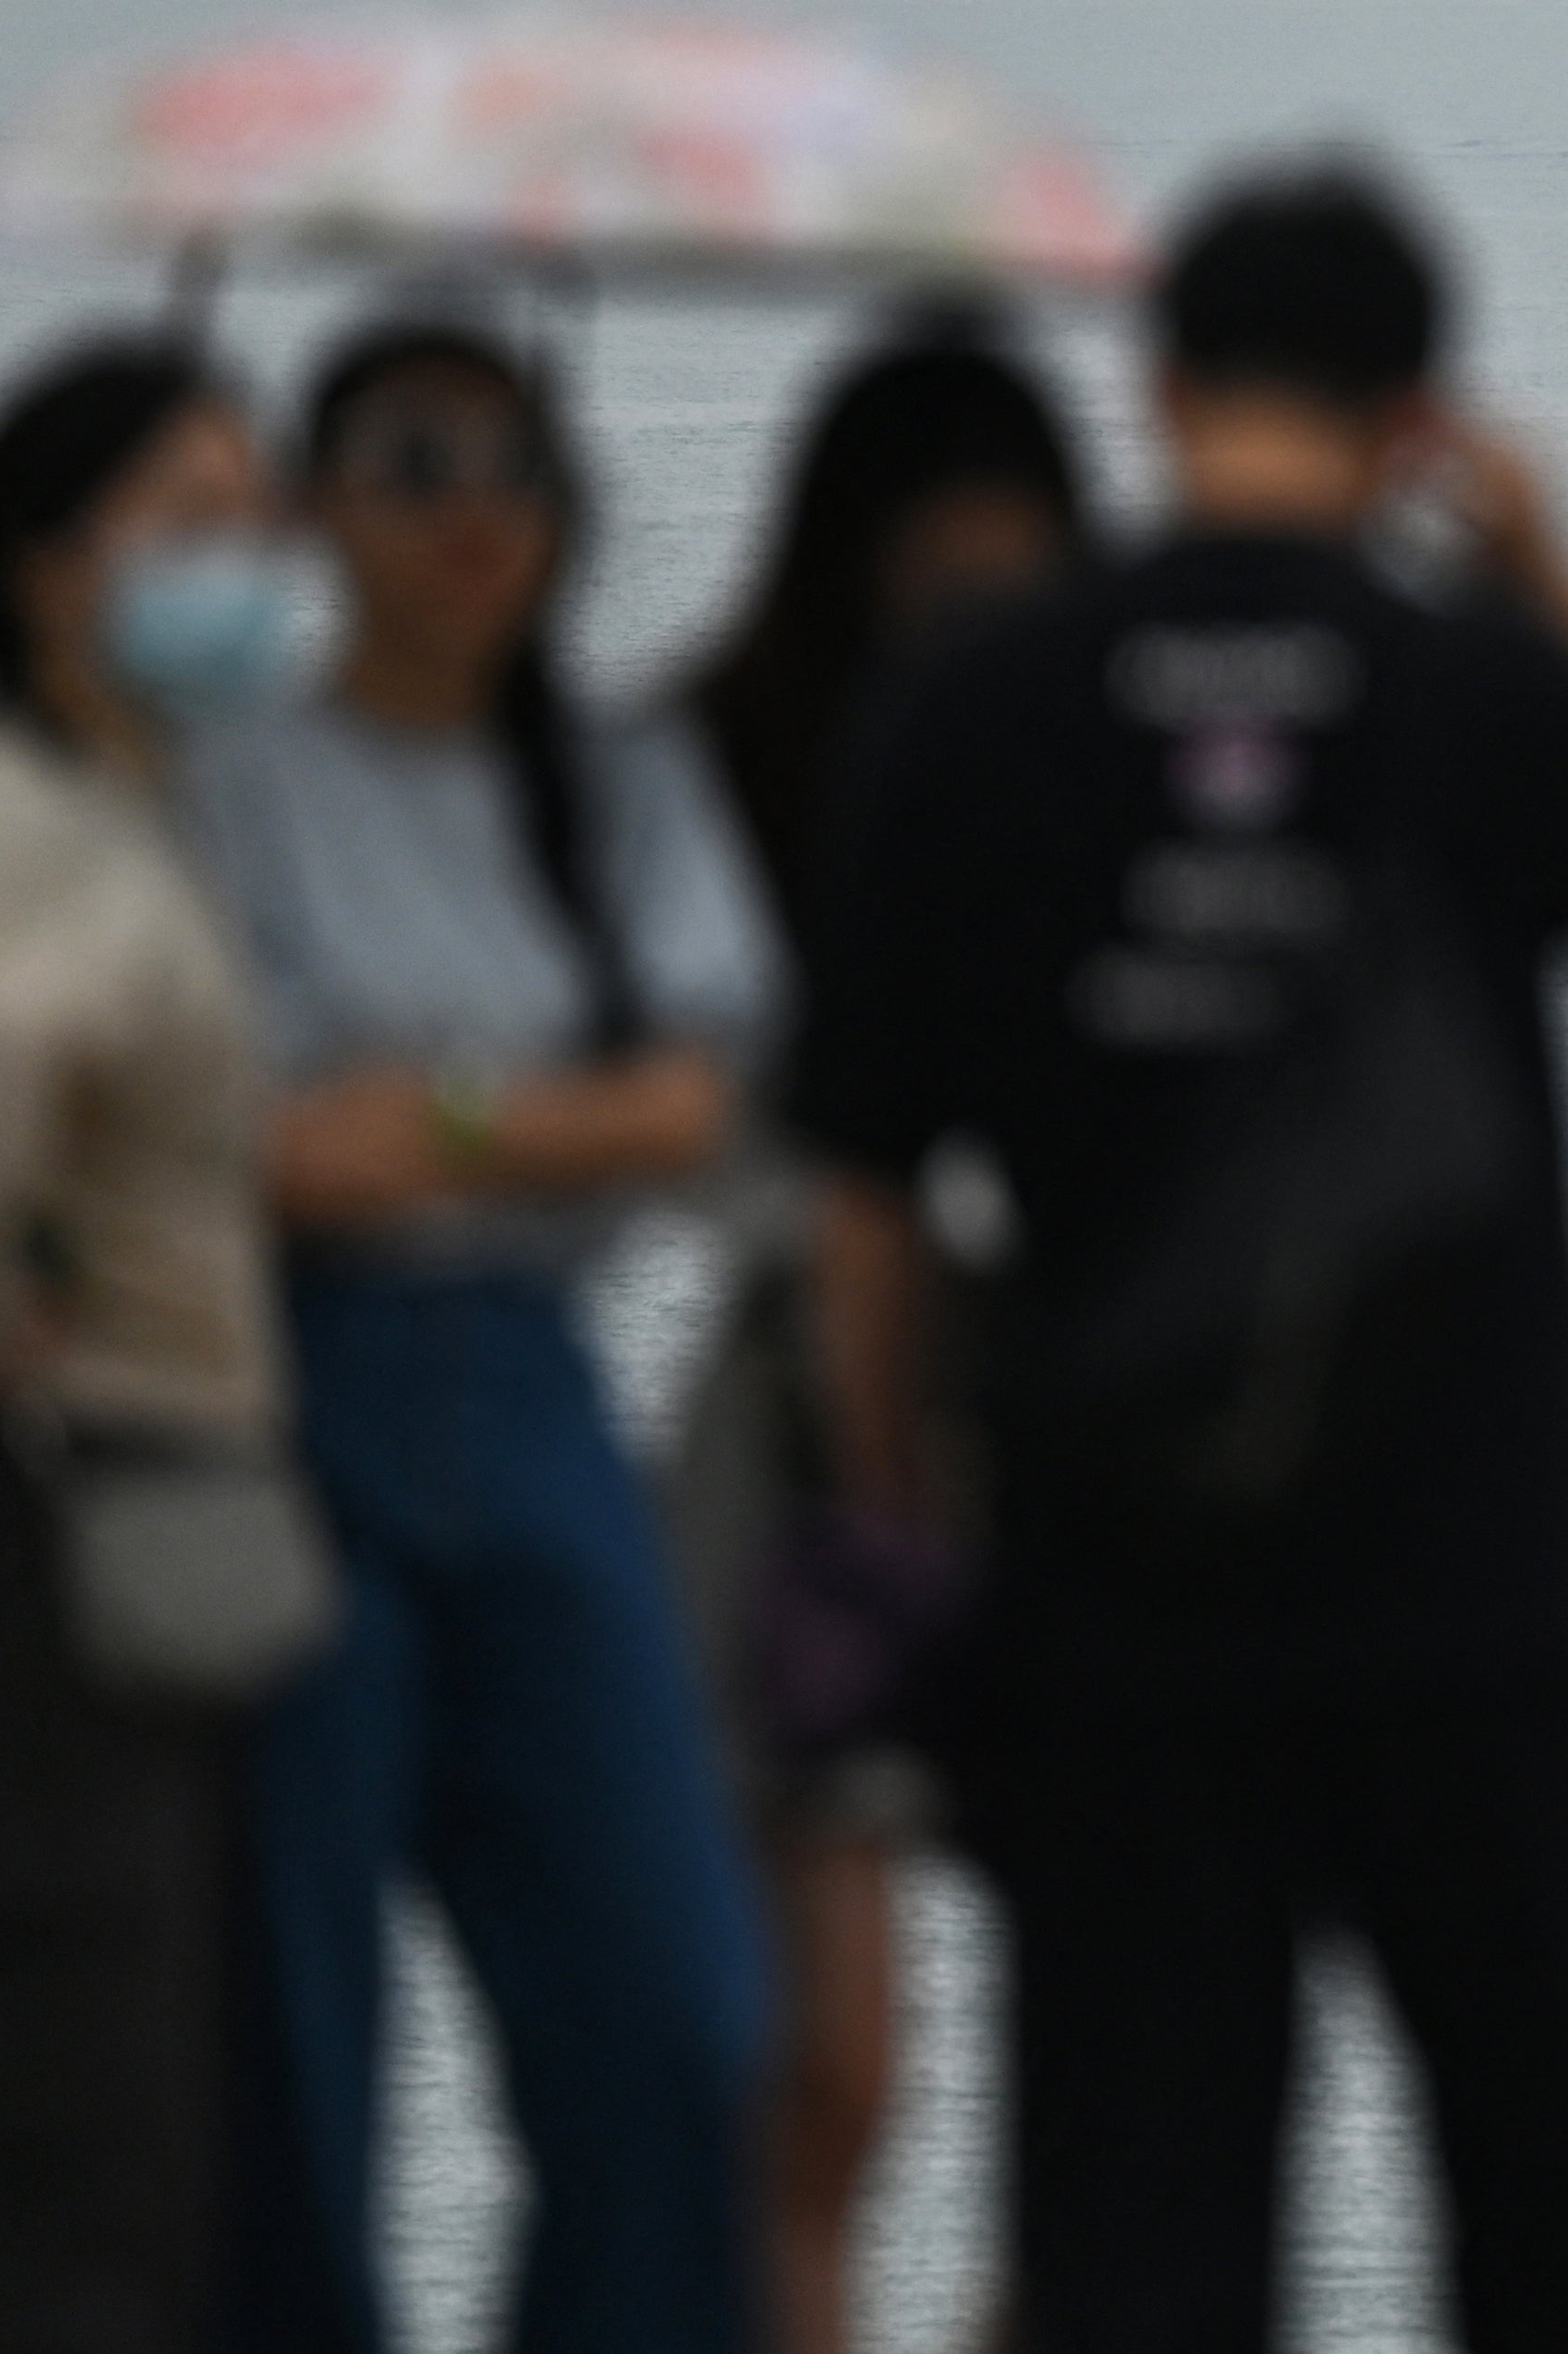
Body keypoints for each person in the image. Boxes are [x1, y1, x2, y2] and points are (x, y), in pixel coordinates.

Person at [790, 161, 1568, 2354]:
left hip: (1118, 1605)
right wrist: (1549, 578)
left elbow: (861, 1190)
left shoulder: (983, 699)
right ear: (1425, 410)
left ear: (1154, 388)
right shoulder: (1486, 694)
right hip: (1477, 1596)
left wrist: (905, 1525)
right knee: (1543, 2186)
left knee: (1140, 2227)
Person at [181, 314, 782, 2354]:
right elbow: (254, 1151)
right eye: (414, 462)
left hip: (535, 1390)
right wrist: (535, 1110)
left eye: (511, 465)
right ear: (311, 503)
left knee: (678, 2013)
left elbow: (699, 1101)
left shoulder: (617, 779)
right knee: (291, 2042)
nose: (472, 514)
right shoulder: (236, 774)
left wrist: (423, 1108)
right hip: (291, 1396)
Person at [0, 337, 299, 2354]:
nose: (253, 562)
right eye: (187, 521)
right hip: (35, 1522)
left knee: (123, 2106)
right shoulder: (26, 824)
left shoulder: (136, 810)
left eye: (258, 516)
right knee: (54, 2114)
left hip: (122, 1525)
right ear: (44, 567)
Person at [673, 307, 1091, 2354]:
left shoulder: (1113, 785)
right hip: (796, 1425)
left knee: (1103, 2091)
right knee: (832, 2070)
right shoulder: (712, 760)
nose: (978, 637)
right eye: (936, 585)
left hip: (1057, 1404)